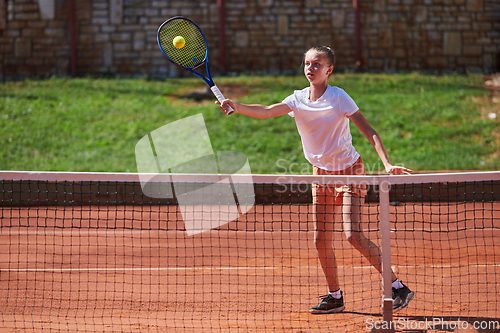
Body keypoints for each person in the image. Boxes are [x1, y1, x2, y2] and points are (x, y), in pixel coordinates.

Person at [217, 45, 415, 314]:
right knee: (320, 239)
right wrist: (237, 106)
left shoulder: (339, 98)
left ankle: (397, 286)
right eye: (307, 63)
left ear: (329, 70)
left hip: (349, 170)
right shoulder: (298, 99)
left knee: (352, 234)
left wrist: (388, 163)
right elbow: (266, 110)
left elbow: (370, 131)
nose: (310, 68)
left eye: (317, 64)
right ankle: (335, 297)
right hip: (320, 174)